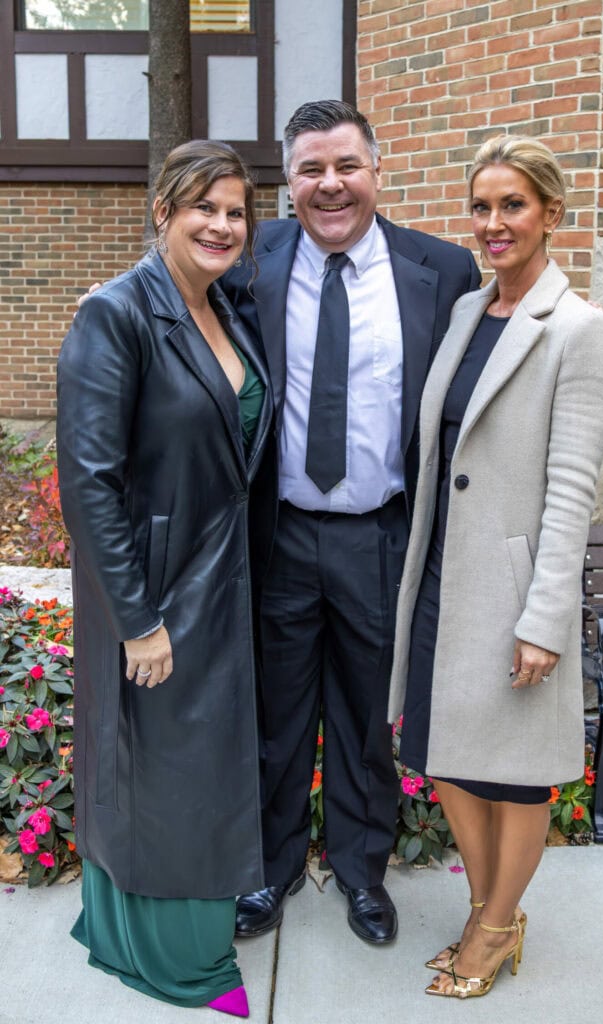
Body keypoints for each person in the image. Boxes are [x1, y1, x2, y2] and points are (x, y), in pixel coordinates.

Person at [221, 100, 481, 944]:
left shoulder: (441, 270)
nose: (329, 185)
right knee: (276, 717)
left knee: (369, 720)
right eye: (310, 169)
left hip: (381, 535)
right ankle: (271, 869)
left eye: (345, 166)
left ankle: (362, 874)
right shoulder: (247, 260)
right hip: (280, 533)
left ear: (376, 170)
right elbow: (170, 293)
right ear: (288, 180)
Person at [387, 134, 603, 998]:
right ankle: (487, 910)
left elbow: (572, 488)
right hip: (440, 576)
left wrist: (544, 618)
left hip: (513, 587)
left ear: (549, 213)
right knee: (447, 756)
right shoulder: (464, 314)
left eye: (512, 205)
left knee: (514, 775)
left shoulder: (581, 331)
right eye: (481, 206)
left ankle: (492, 930)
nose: (493, 223)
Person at [57, 140, 272, 1017]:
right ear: (163, 213)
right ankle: (178, 962)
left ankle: (171, 936)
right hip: (153, 584)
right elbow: (88, 483)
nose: (221, 225)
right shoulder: (116, 315)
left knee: (196, 766)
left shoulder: (224, 307)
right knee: (164, 769)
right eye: (202, 208)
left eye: (235, 212)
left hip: (221, 573)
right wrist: (136, 620)